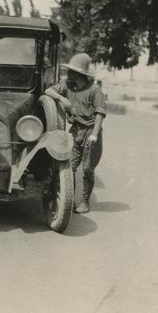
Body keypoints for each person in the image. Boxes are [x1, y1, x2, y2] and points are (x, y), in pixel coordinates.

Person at [45, 53, 106, 214]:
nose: (68, 74)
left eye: (71, 71)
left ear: (79, 74)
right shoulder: (67, 85)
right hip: (75, 131)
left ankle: (85, 201)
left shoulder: (95, 90)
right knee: (69, 166)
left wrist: (94, 134)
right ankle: (69, 200)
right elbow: (48, 91)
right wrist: (61, 99)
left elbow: (100, 113)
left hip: (90, 132)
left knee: (87, 169)